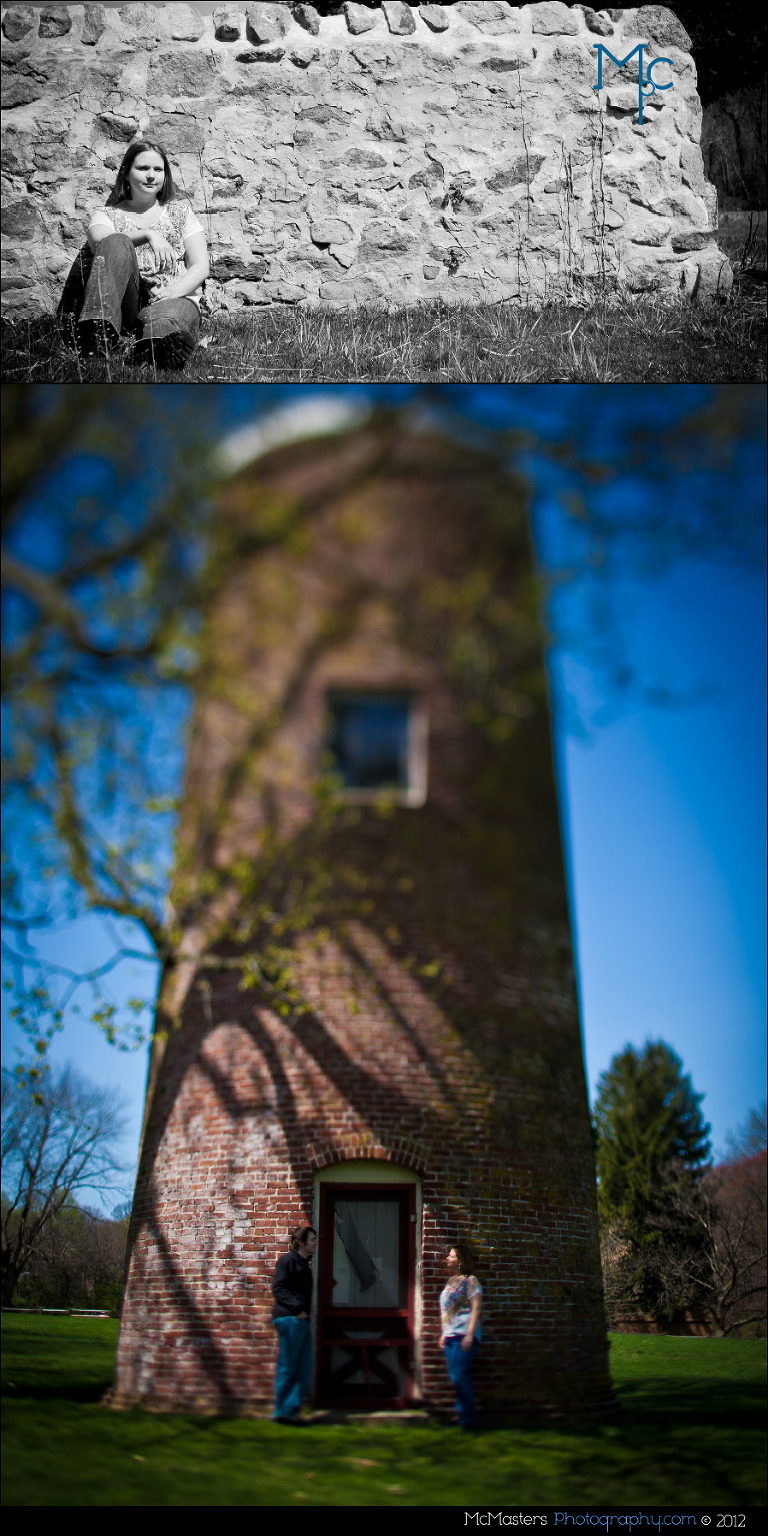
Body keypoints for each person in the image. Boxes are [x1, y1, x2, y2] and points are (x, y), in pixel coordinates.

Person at [58, 140, 209, 370]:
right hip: (126, 303)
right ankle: (96, 339)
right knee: (115, 240)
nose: (151, 176)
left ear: (165, 177)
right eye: (143, 168)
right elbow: (98, 241)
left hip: (174, 296)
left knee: (165, 317)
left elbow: (200, 265)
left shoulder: (181, 212)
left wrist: (171, 292)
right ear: (126, 173)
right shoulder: (107, 214)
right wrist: (148, 234)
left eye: (158, 170)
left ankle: (150, 349)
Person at [271, 1223, 317, 1425]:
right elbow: (279, 1288)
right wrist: (297, 1309)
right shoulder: (287, 1261)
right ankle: (282, 1411)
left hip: (301, 1321)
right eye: (313, 1239)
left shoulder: (303, 1265)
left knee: (304, 1367)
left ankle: (292, 1411)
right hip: (290, 1320)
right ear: (301, 1242)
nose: (317, 1243)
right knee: (288, 1367)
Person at [439, 1243, 482, 1430]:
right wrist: (443, 1333)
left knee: (460, 1375)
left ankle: (469, 1419)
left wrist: (470, 1335)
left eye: (451, 1256)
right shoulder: (450, 1282)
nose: (447, 1258)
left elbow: (476, 1308)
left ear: (460, 1260)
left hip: (464, 1335)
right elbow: (446, 1311)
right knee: (455, 1376)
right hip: (450, 1336)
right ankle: (462, 1415)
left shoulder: (470, 1281)